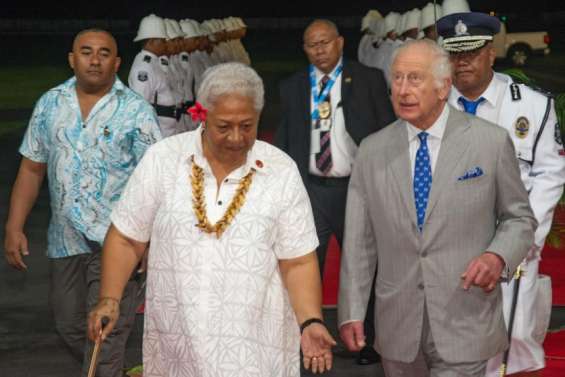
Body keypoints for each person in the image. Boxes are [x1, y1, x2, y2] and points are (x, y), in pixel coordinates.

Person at [87, 62, 336, 377]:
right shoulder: (163, 160)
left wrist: (310, 320)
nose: (236, 137)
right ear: (202, 114)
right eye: (224, 126)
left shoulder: (280, 170)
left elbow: (297, 259)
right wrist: (110, 298)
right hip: (177, 347)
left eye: (247, 126)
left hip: (255, 350)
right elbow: (127, 237)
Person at [338, 39, 537, 377]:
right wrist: (351, 311)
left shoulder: (489, 142)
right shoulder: (372, 151)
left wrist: (497, 256)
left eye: (414, 78)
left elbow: (519, 218)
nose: (402, 90)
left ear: (443, 86)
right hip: (397, 326)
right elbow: (359, 242)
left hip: (465, 319)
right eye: (397, 78)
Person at [3, 29, 161, 377]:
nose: (95, 59)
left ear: (117, 62)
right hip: (65, 241)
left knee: (105, 333)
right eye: (86, 52)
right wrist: (14, 226)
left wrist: (149, 239)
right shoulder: (50, 104)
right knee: (69, 325)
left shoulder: (135, 110)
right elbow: (32, 168)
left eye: (104, 53)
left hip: (120, 241)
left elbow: (155, 182)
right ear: (72, 59)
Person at [437, 11, 565, 377]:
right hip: (451, 243)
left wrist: (525, 237)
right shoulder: (433, 106)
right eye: (454, 53)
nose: (462, 62)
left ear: (491, 53)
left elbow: (550, 172)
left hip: (513, 243)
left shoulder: (531, 105)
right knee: (455, 342)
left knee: (514, 340)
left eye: (472, 52)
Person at [274, 18, 395, 365]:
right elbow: (284, 138)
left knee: (363, 267)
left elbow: (386, 130)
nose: (320, 50)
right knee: (303, 265)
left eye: (325, 42)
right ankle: (305, 339)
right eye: (312, 44)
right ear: (304, 49)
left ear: (340, 43)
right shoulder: (293, 86)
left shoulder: (368, 79)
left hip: (356, 189)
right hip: (310, 189)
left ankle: (369, 342)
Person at [129, 14, 179, 137]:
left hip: (166, 131)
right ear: (151, 41)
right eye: (162, 41)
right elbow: (140, 107)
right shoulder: (144, 68)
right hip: (157, 133)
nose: (165, 44)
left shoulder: (154, 62)